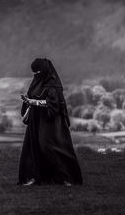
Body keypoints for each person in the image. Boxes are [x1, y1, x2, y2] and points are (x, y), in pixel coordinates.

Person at [18, 58, 83, 186]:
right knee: (34, 147)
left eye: (37, 72)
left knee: (51, 147)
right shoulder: (36, 82)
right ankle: (36, 177)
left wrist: (32, 102)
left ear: (43, 71)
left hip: (51, 123)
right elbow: (32, 95)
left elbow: (53, 104)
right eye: (34, 72)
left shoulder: (53, 84)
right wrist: (27, 101)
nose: (35, 75)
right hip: (36, 121)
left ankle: (66, 177)